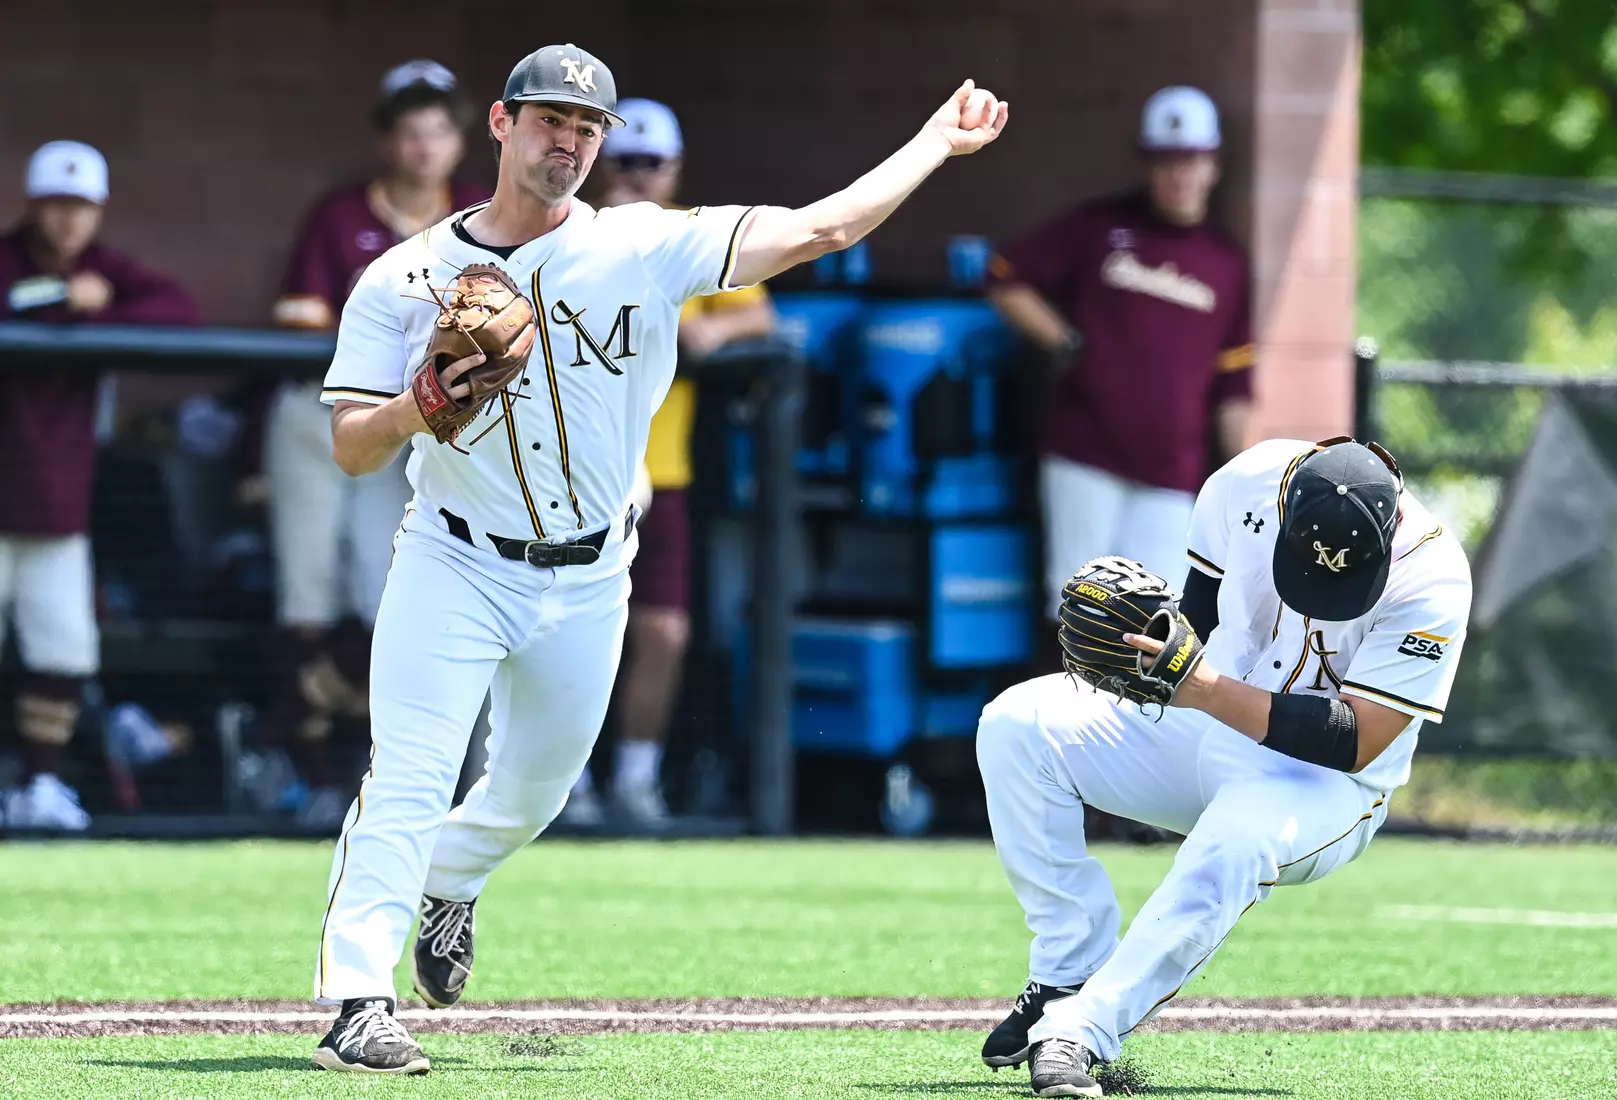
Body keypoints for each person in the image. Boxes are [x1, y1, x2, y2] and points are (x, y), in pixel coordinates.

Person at [308, 42, 1006, 1073]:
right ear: (500, 124)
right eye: (550, 120)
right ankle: (355, 1001)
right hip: (451, 561)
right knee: (407, 775)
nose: (570, 143)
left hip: (589, 572)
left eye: (588, 128)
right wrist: (420, 403)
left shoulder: (642, 244)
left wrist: (930, 147)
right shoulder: (403, 276)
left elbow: (824, 227)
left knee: (532, 793)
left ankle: (450, 882)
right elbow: (350, 445)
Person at [974, 437, 1472, 1097]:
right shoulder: (1247, 482)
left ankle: (1081, 1029)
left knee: (1236, 840)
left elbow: (1357, 737)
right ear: (1287, 505)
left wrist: (1202, 686)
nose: (1324, 591)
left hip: (1325, 783)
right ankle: (1068, 969)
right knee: (1016, 726)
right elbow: (1198, 626)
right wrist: (1146, 648)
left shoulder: (1433, 575)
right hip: (1209, 719)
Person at [264, 60, 490, 828]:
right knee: (308, 590)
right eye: (409, 131)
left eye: (437, 130)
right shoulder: (339, 216)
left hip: (415, 424)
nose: (424, 146)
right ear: (387, 140)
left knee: (381, 588)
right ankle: (308, 768)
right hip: (321, 407)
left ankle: (369, 769)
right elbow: (298, 313)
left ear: (460, 140)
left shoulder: (479, 216)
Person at [560, 97, 776, 828]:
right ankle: (564, 782)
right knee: (565, 632)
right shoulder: (571, 233)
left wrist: (715, 329)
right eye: (623, 163)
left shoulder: (693, 236)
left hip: (665, 472)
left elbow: (758, 313)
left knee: (662, 633)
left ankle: (636, 777)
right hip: (573, 471)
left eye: (651, 164)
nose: (637, 178)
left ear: (676, 168)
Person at [986, 86, 1254, 626]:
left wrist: (1243, 479)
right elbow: (1003, 277)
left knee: (1159, 622)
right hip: (1085, 455)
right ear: (1148, 164)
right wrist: (1065, 341)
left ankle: (1133, 716)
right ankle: (1074, 713)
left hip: (1172, 471)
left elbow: (1234, 384)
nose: (1179, 174)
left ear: (1214, 166)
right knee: (1078, 610)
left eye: (1191, 160)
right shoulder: (1100, 228)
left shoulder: (1226, 262)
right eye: (1166, 161)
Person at [0, 141, 200, 830]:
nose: (68, 222)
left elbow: (179, 310)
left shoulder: (104, 270)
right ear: (34, 205)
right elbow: (14, 298)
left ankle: (37, 787)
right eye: (57, 205)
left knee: (62, 652)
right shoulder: (10, 260)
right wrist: (61, 299)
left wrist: (90, 308)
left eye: (81, 208)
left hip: (57, 504)